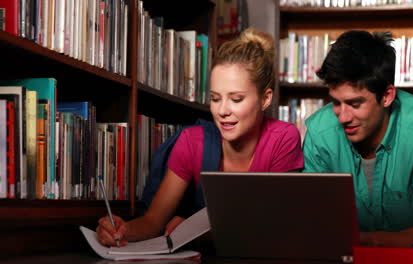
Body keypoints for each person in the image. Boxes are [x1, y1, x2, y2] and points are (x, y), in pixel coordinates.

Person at [96, 28, 304, 246]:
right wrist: (122, 230)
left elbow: (278, 227)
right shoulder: (192, 141)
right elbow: (153, 222)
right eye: (215, 98)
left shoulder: (283, 138)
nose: (222, 110)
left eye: (236, 99)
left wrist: (195, 232)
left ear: (265, 99)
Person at [302, 30, 413, 247]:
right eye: (336, 102)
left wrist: (367, 241)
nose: (343, 117)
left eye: (354, 104)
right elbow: (312, 226)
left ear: (387, 96)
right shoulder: (319, 131)